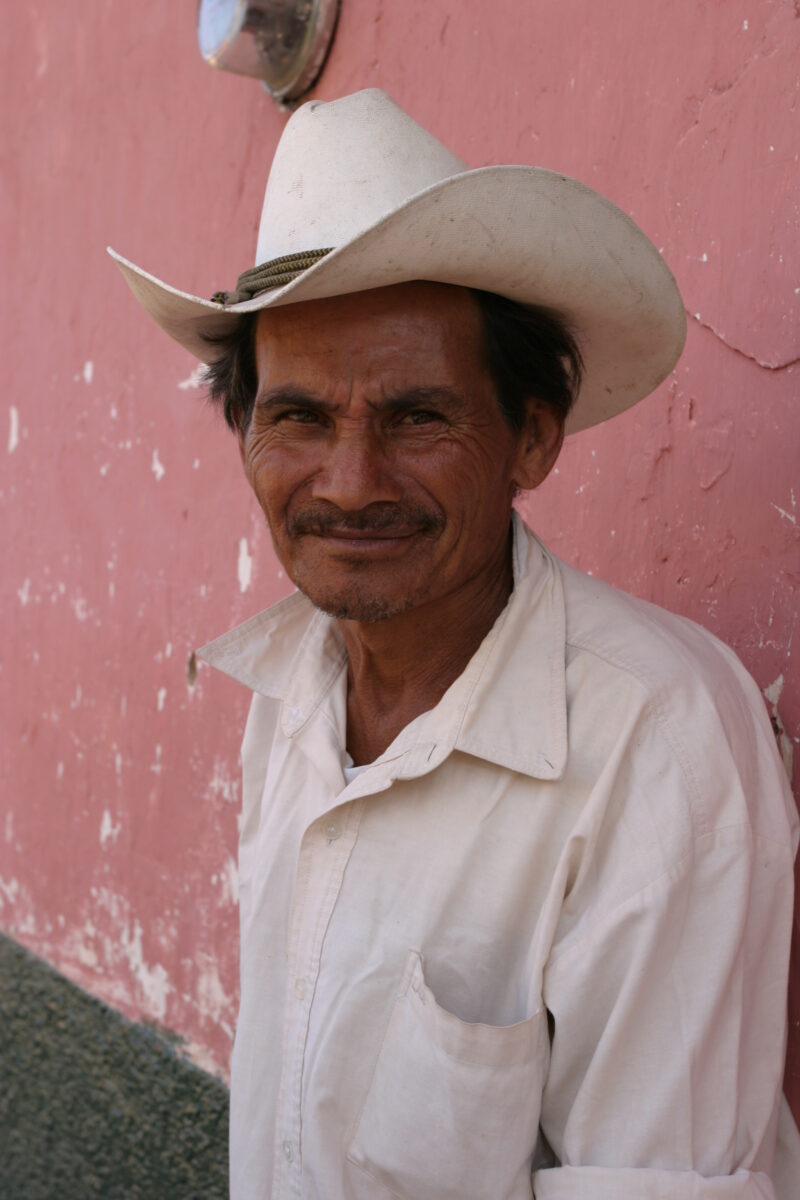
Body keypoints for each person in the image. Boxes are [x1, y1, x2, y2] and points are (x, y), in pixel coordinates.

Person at [110, 89, 799, 1199]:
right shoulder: (292, 690)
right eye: (297, 417)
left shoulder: (653, 742)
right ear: (245, 436)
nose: (349, 484)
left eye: (418, 416)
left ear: (532, 439)